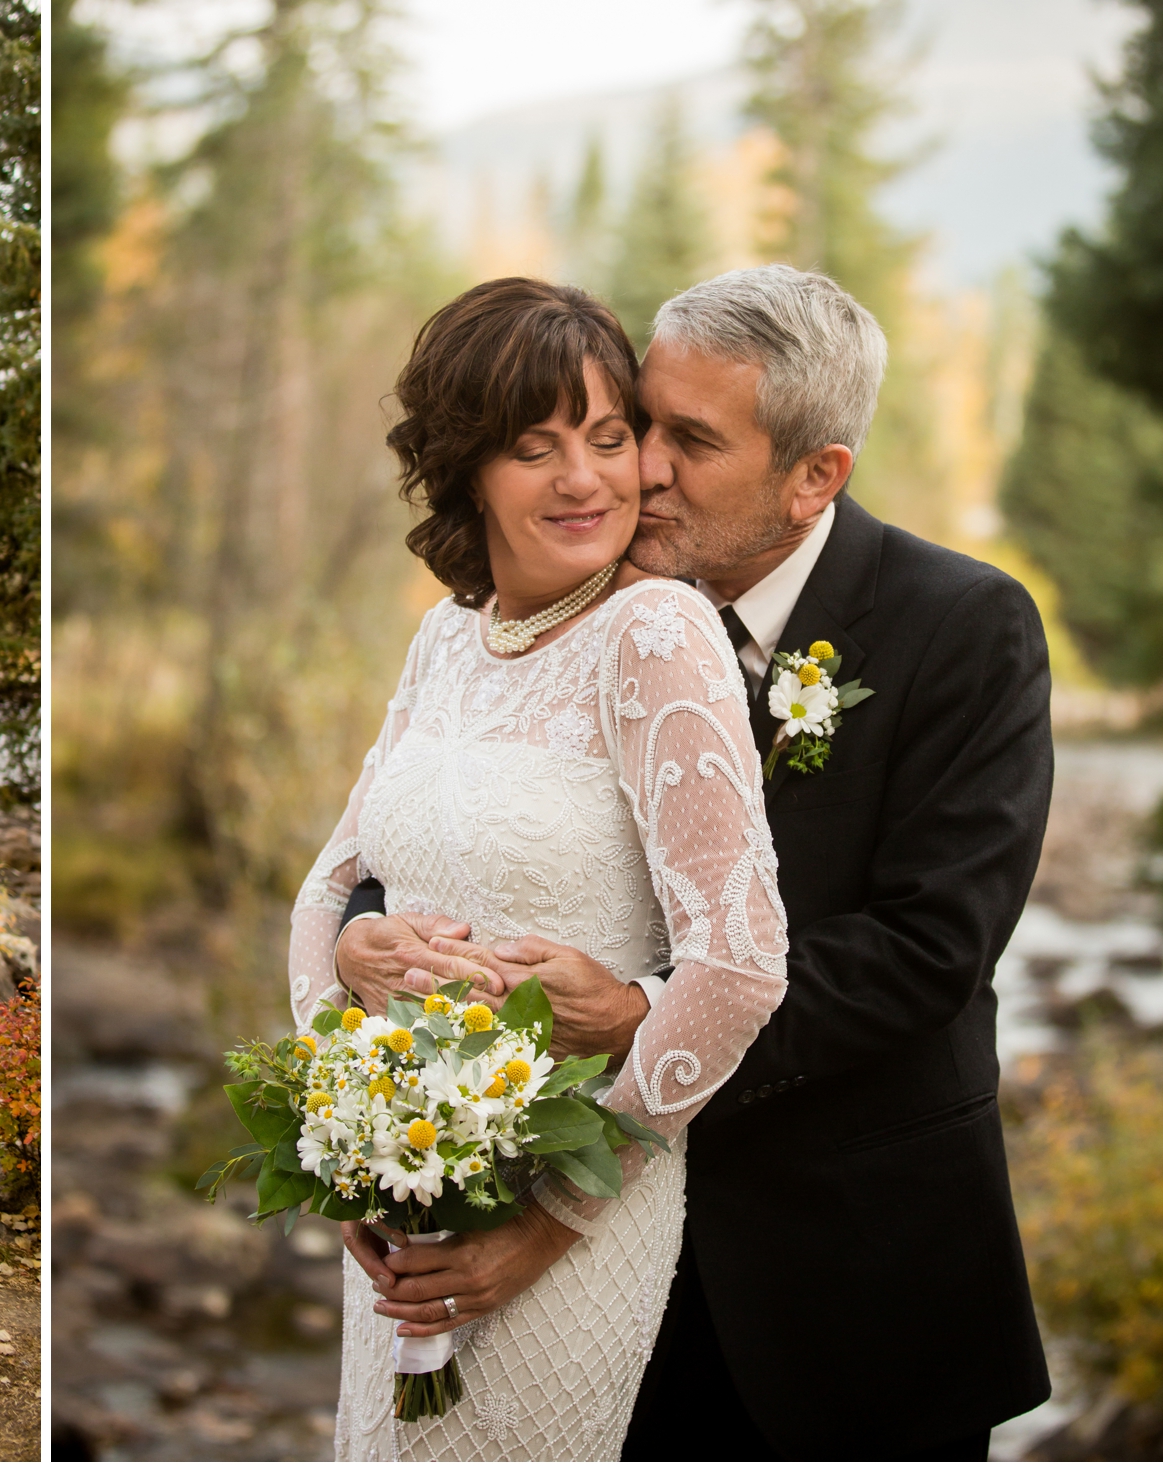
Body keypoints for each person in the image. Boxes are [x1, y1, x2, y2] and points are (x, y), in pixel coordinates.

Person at [334, 264, 1053, 1459]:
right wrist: (370, 930)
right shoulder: (578, 597)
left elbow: (930, 947)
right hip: (603, 1267)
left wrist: (646, 1015)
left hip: (846, 1272)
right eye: (641, 421)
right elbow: (462, 813)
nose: (640, 467)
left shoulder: (963, 625)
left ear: (815, 474)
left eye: (690, 439)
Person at [286, 276, 789, 1459]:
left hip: (568, 1225)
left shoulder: (657, 634)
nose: (587, 478)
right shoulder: (444, 637)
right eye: (535, 447)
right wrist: (346, 1114)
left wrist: (550, 1219)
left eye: (610, 439)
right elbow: (326, 890)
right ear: (467, 468)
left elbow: (742, 965)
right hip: (410, 1188)